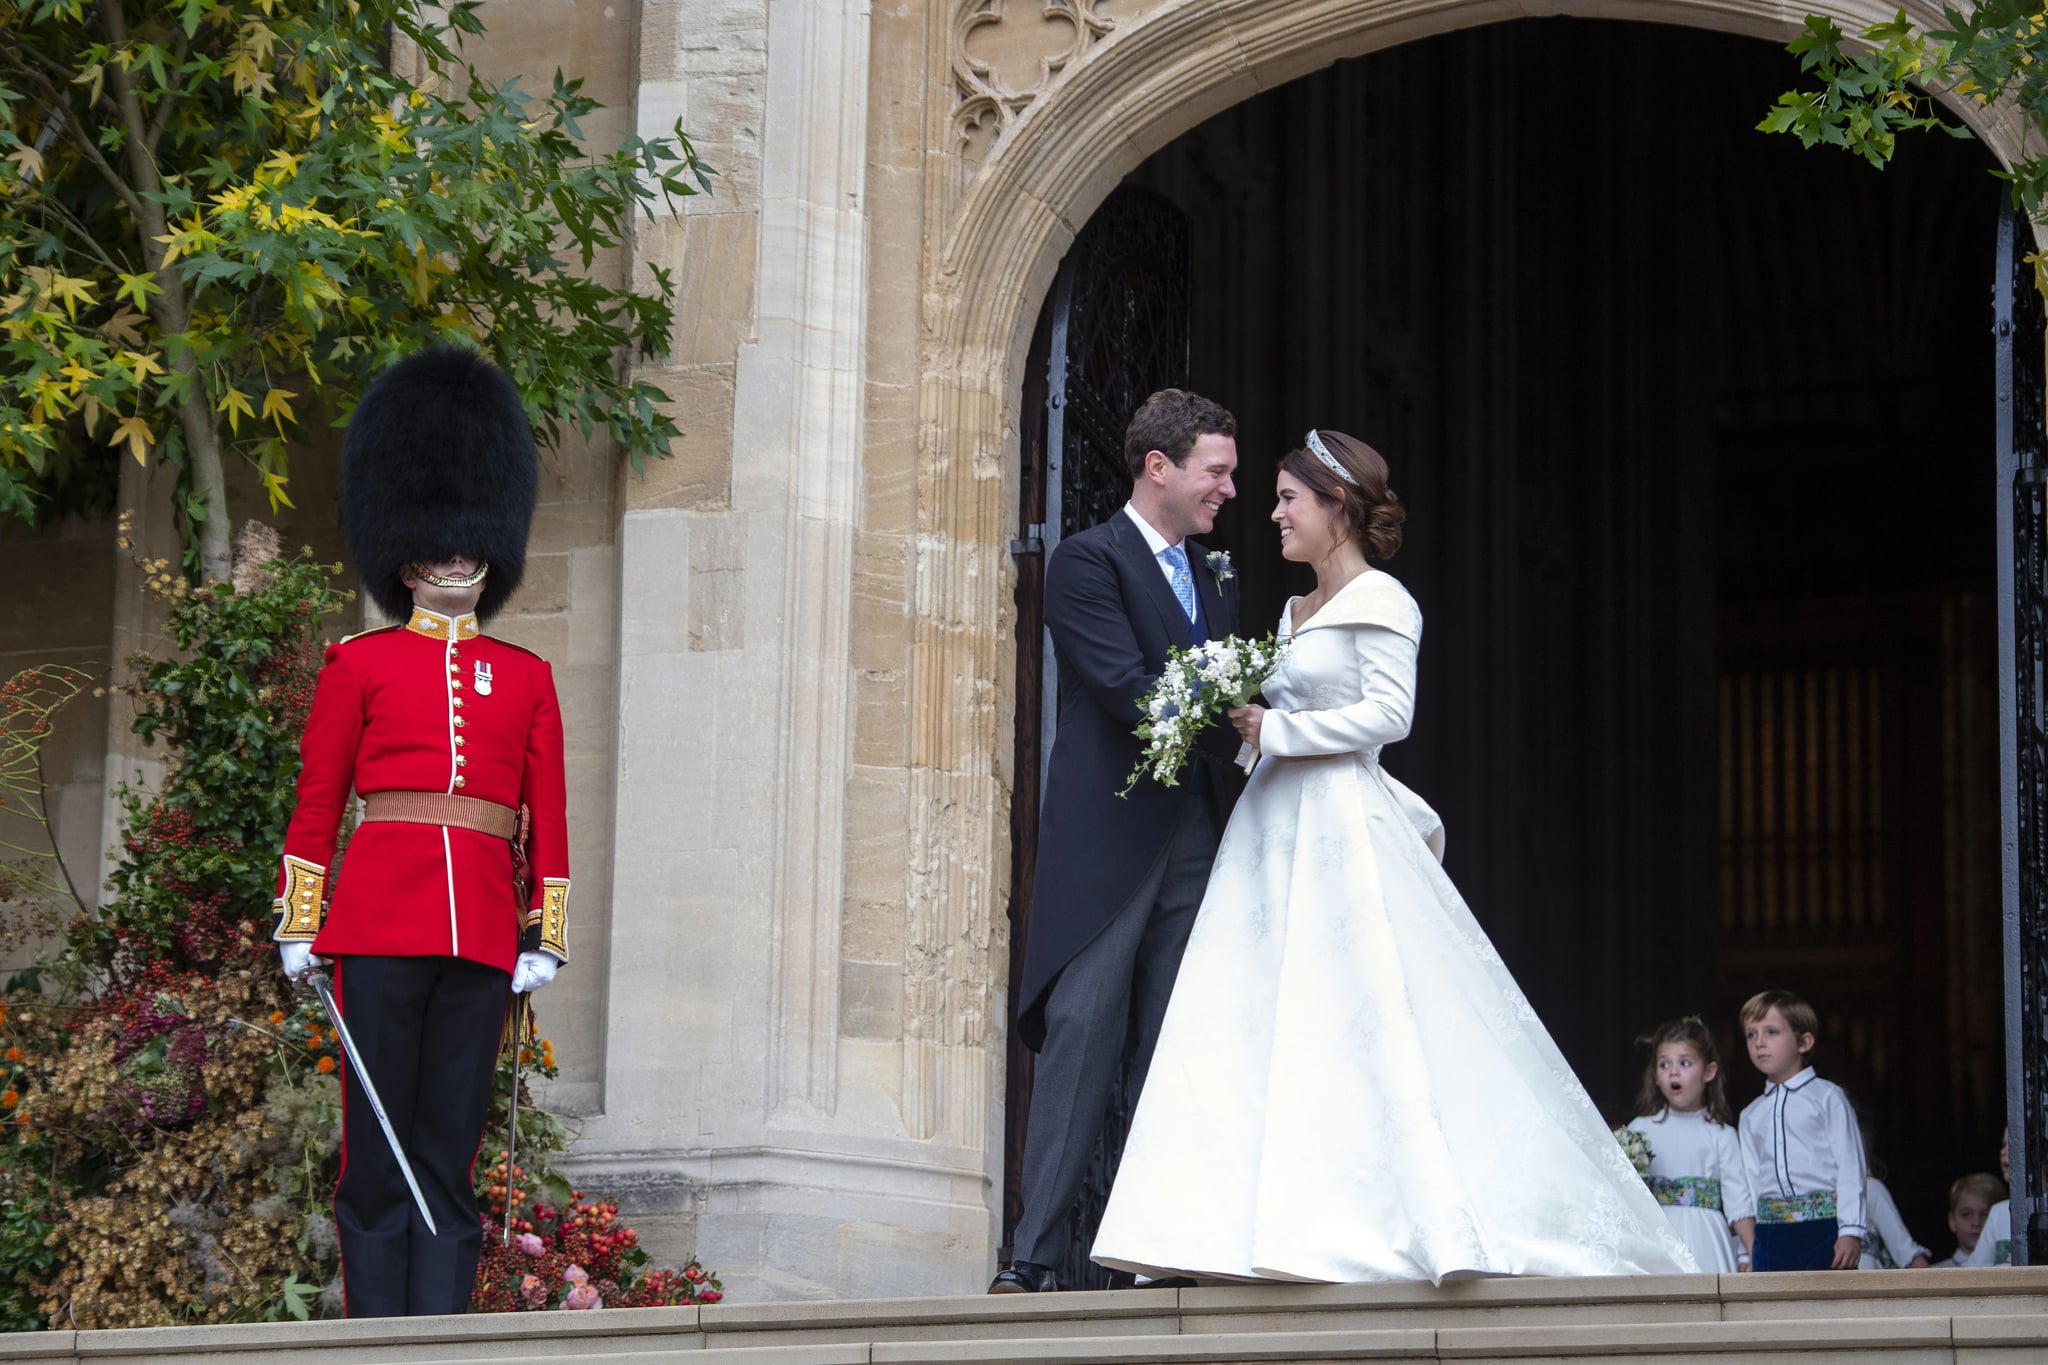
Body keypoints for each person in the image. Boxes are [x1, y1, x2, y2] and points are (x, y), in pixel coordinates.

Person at [1088, 430, 1694, 1284]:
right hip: (1271, 827)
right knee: (1257, 1013)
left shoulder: (1385, 600)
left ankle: (1376, 1221)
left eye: (1288, 498)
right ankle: (1227, 1231)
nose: (1273, 514)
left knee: (1357, 1010)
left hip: (1341, 821)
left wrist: (1280, 729)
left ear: (1335, 504)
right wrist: (1238, 722)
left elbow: (1389, 714)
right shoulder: (1293, 611)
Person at [272, 347, 570, 1316]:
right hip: (376, 924)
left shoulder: (526, 677)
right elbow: (319, 800)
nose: (456, 561)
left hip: (481, 934)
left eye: (469, 547)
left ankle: (439, 1331)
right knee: (375, 1152)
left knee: (448, 1148)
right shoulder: (358, 664)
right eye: (439, 550)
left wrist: (545, 932)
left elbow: (550, 814)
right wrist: (300, 918)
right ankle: (374, 1334)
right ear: (407, 562)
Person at [990, 389, 1247, 1294]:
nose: (1229, 490)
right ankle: (1034, 1256)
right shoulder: (1085, 561)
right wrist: (1245, 728)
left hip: (1197, 833)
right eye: (1217, 471)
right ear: (1159, 467)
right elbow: (1126, 686)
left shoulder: (1218, 576)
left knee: (1177, 1041)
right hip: (1109, 837)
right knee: (1084, 1030)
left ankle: (1156, 1248)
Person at [1737, 991, 1867, 1272]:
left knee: (1825, 1299)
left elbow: (1849, 1166)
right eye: (1751, 1034)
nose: (1759, 1042)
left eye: (1772, 1032)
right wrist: (1746, 1249)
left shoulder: (1828, 1097)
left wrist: (1850, 1230)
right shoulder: (1750, 1115)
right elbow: (1751, 1181)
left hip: (1824, 1229)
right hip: (1770, 1234)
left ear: (1804, 1042)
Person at [1625, 1018, 1756, 1273]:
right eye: (1664, 1064)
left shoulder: (1721, 1134)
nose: (1673, 1072)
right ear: (1655, 1075)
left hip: (1706, 1239)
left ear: (1709, 1072)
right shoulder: (1639, 1130)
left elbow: (1737, 1200)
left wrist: (1753, 1253)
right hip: (1654, 1240)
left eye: (1685, 1063)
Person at [1964, 1129, 2014, 1267]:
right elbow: (1974, 1274)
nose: (2003, 1151)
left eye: (2012, 1142)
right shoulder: (1999, 1213)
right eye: (2003, 1144)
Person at [1933, 1171, 2005, 1267]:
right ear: (1952, 1221)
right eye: (1966, 1214)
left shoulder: (2012, 1269)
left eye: (1985, 1215)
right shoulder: (1935, 1272)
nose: (1976, 1223)